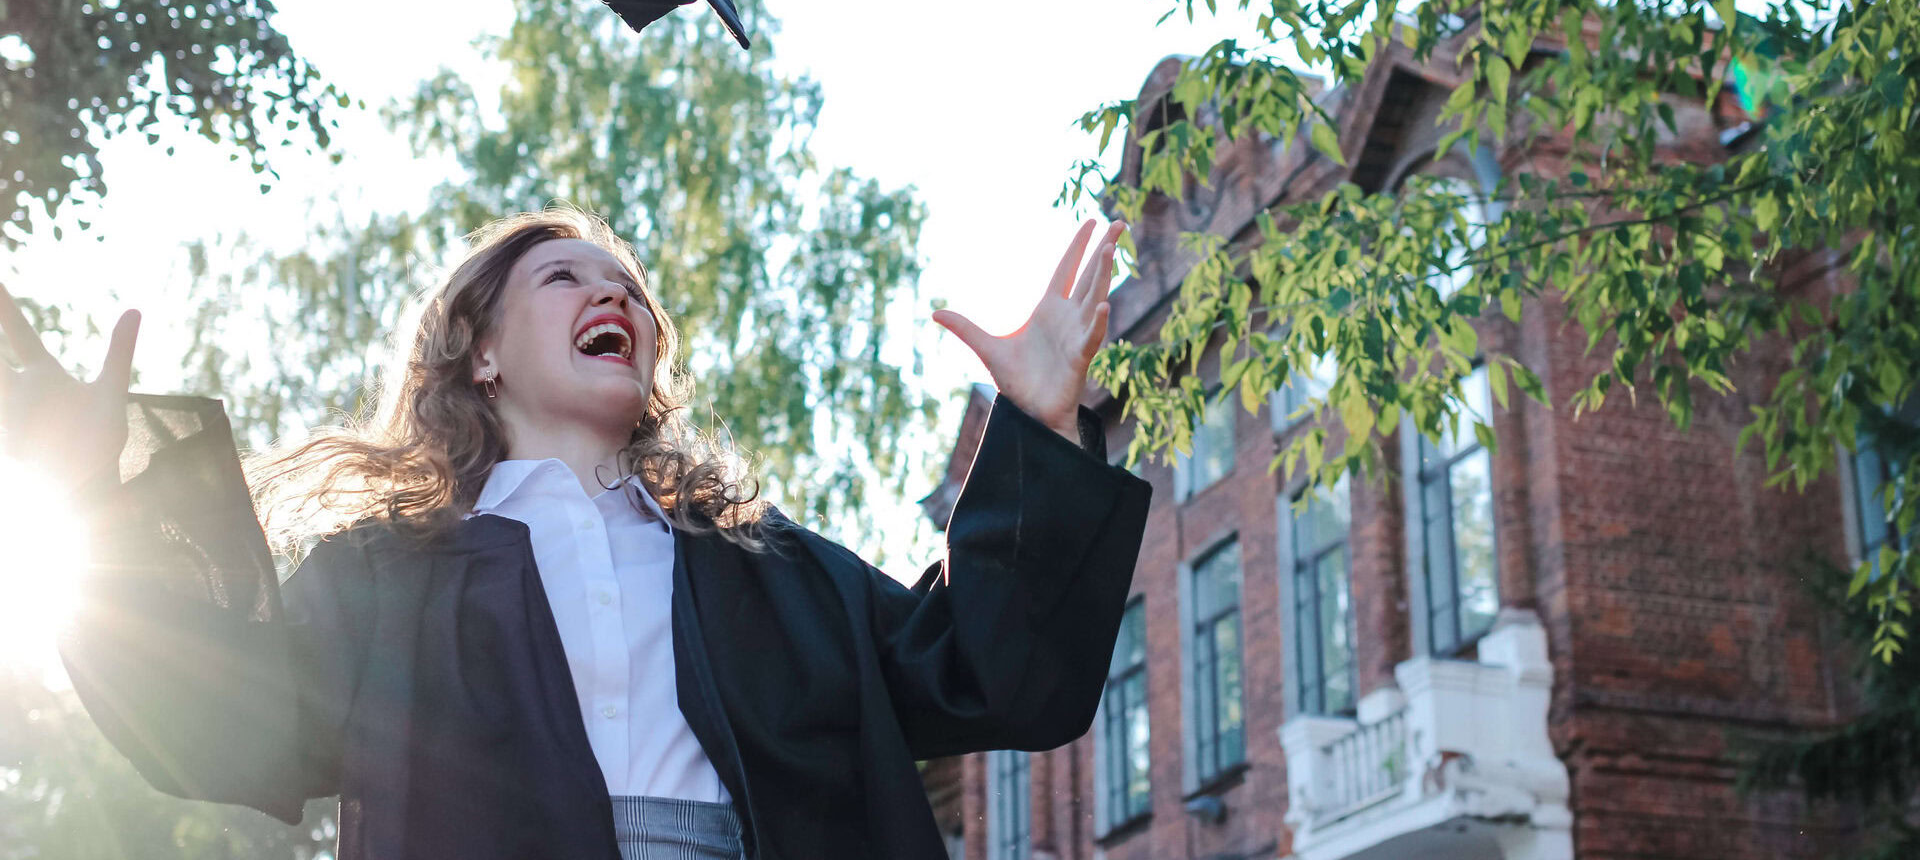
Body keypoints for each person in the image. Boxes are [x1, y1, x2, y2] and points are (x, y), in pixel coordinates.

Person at [0, 204, 1151, 860]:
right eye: (564, 277)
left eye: (630, 290)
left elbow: (991, 677)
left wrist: (1042, 432)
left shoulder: (768, 565)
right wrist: (96, 493)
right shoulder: (384, 581)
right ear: (481, 353)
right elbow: (221, 719)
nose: (614, 298)